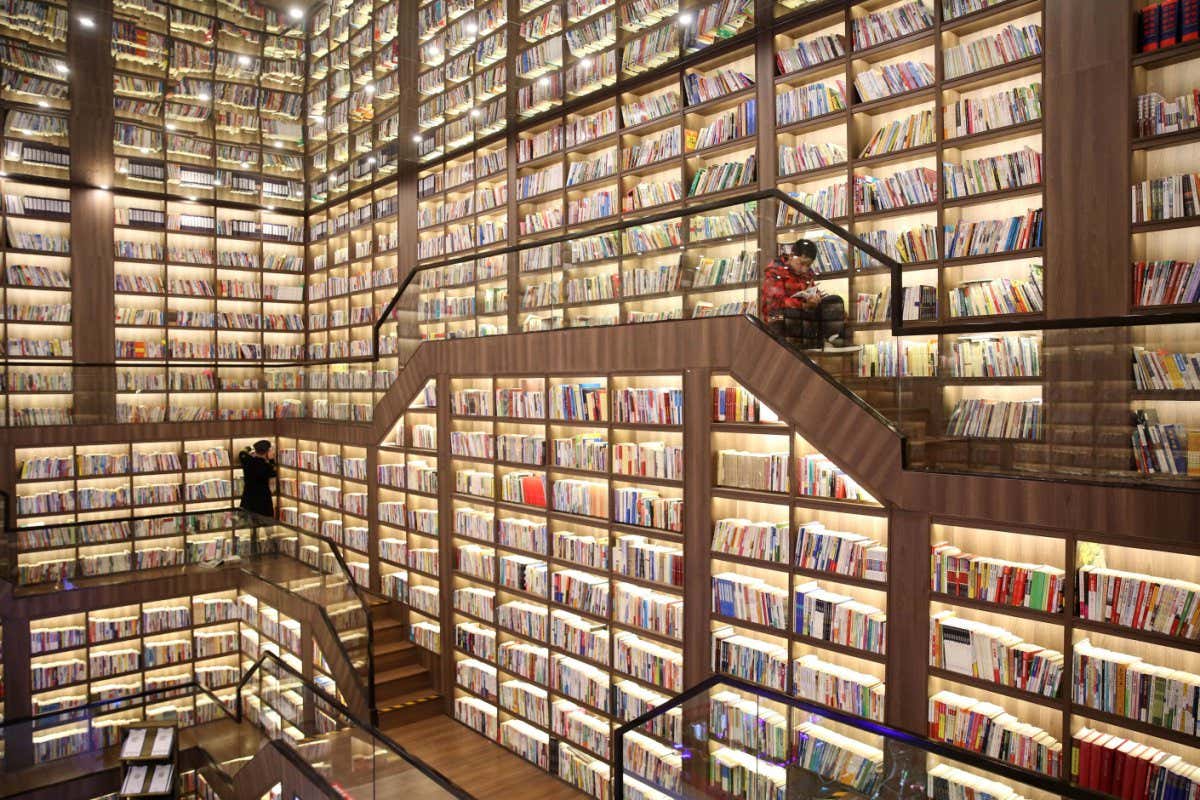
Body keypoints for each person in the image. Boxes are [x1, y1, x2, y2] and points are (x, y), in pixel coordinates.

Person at [238, 439, 277, 555]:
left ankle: (254, 555)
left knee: (253, 532)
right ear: (267, 451)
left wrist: (250, 449)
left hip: (249, 501)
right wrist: (271, 459)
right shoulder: (267, 467)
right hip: (263, 502)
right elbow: (273, 472)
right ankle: (274, 552)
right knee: (269, 530)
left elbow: (242, 452)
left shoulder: (247, 461)